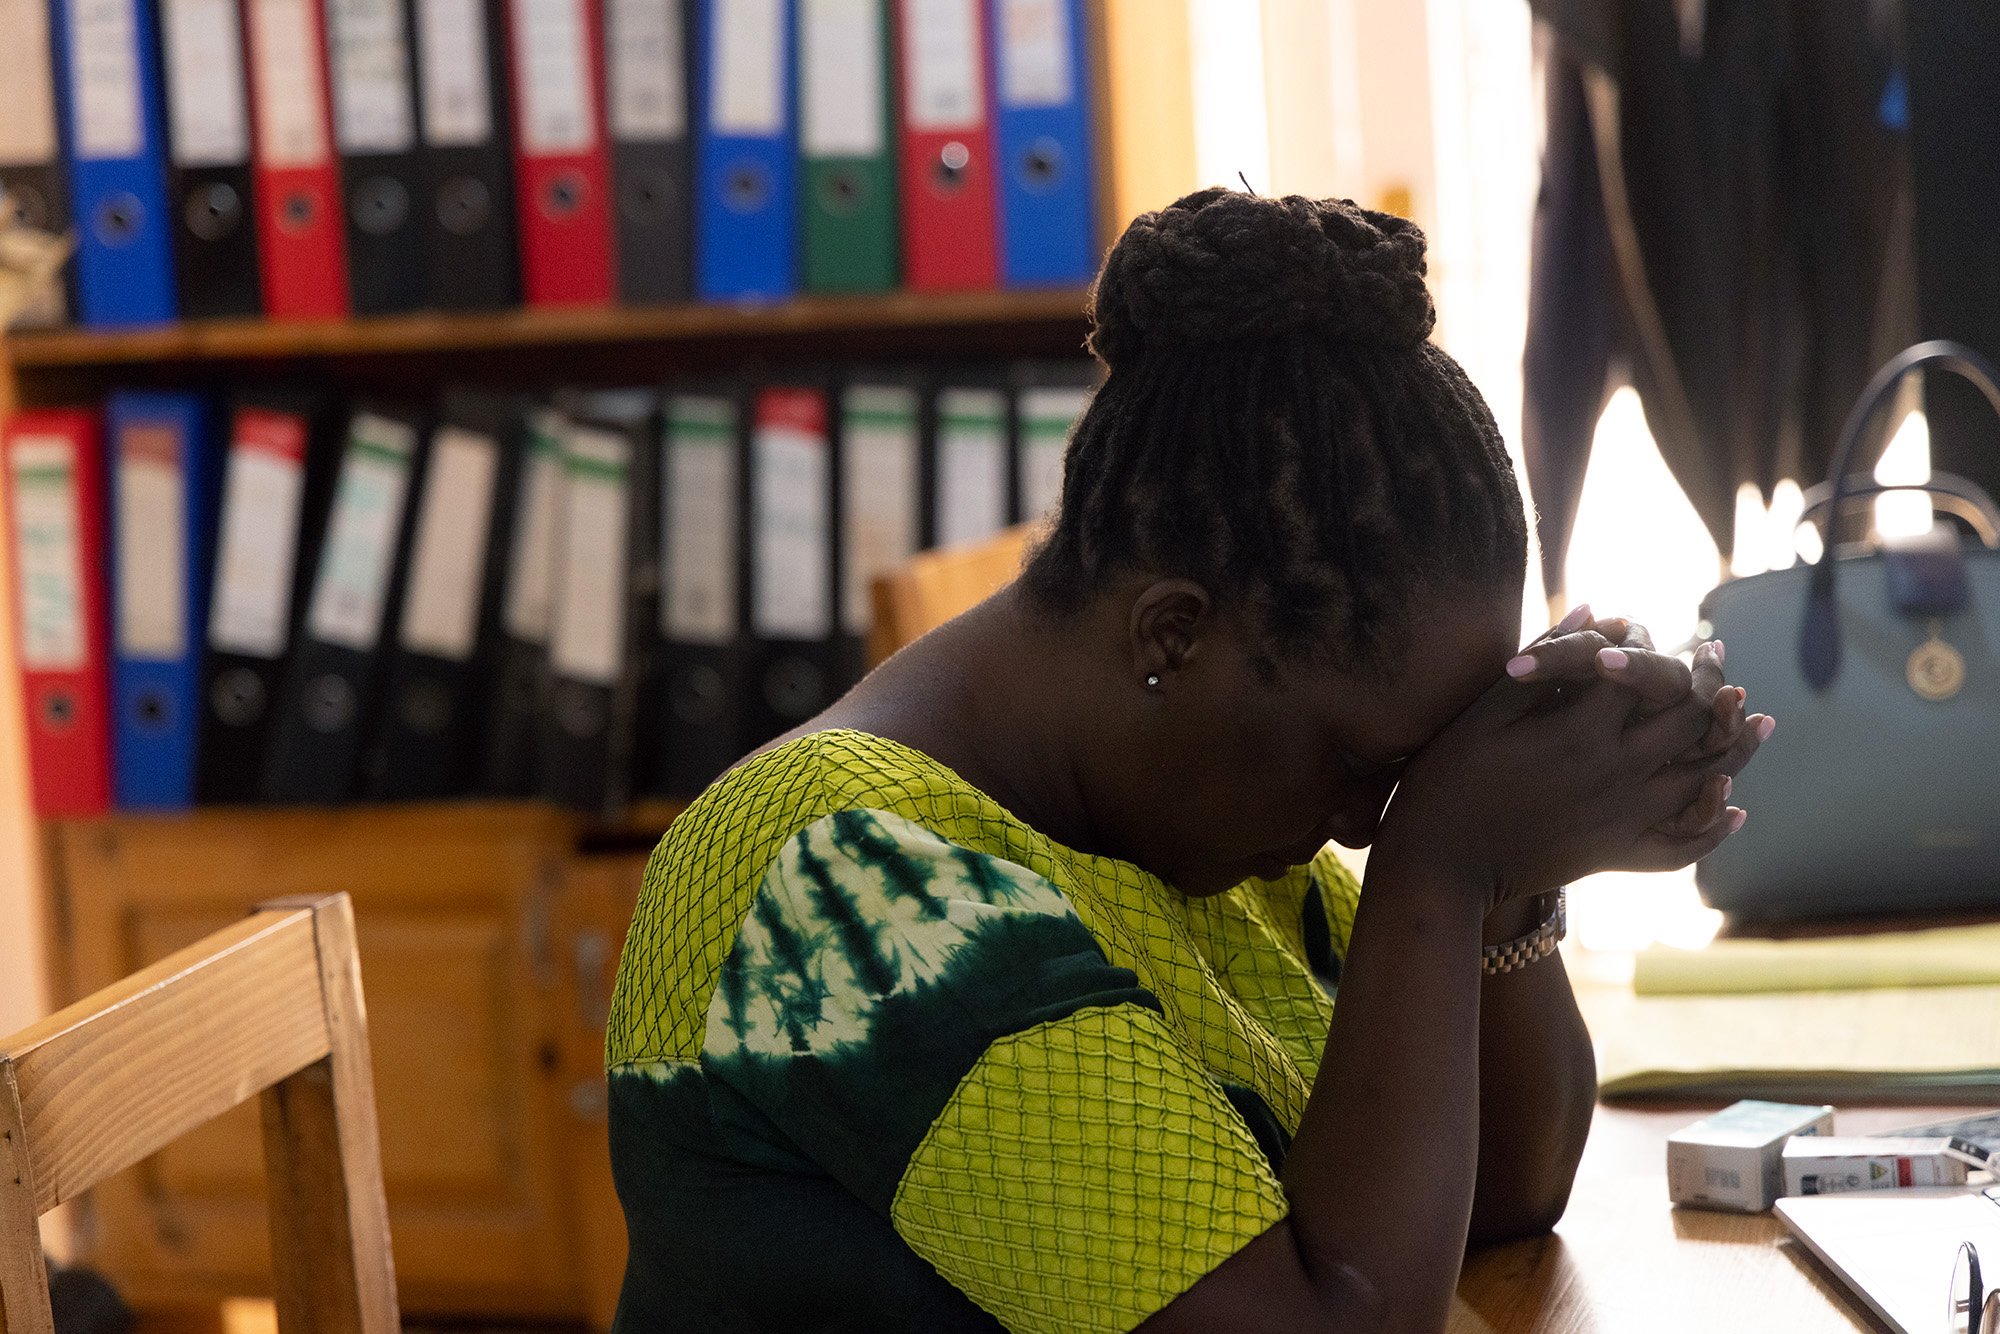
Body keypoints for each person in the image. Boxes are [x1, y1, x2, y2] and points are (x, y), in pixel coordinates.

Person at [603, 189, 1769, 1333]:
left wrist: (1507, 861)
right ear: (1172, 633)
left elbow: (1502, 1193)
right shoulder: (847, 874)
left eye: (1410, 770)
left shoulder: (1199, 832)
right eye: (1366, 761)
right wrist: (1443, 859)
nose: (1367, 819)